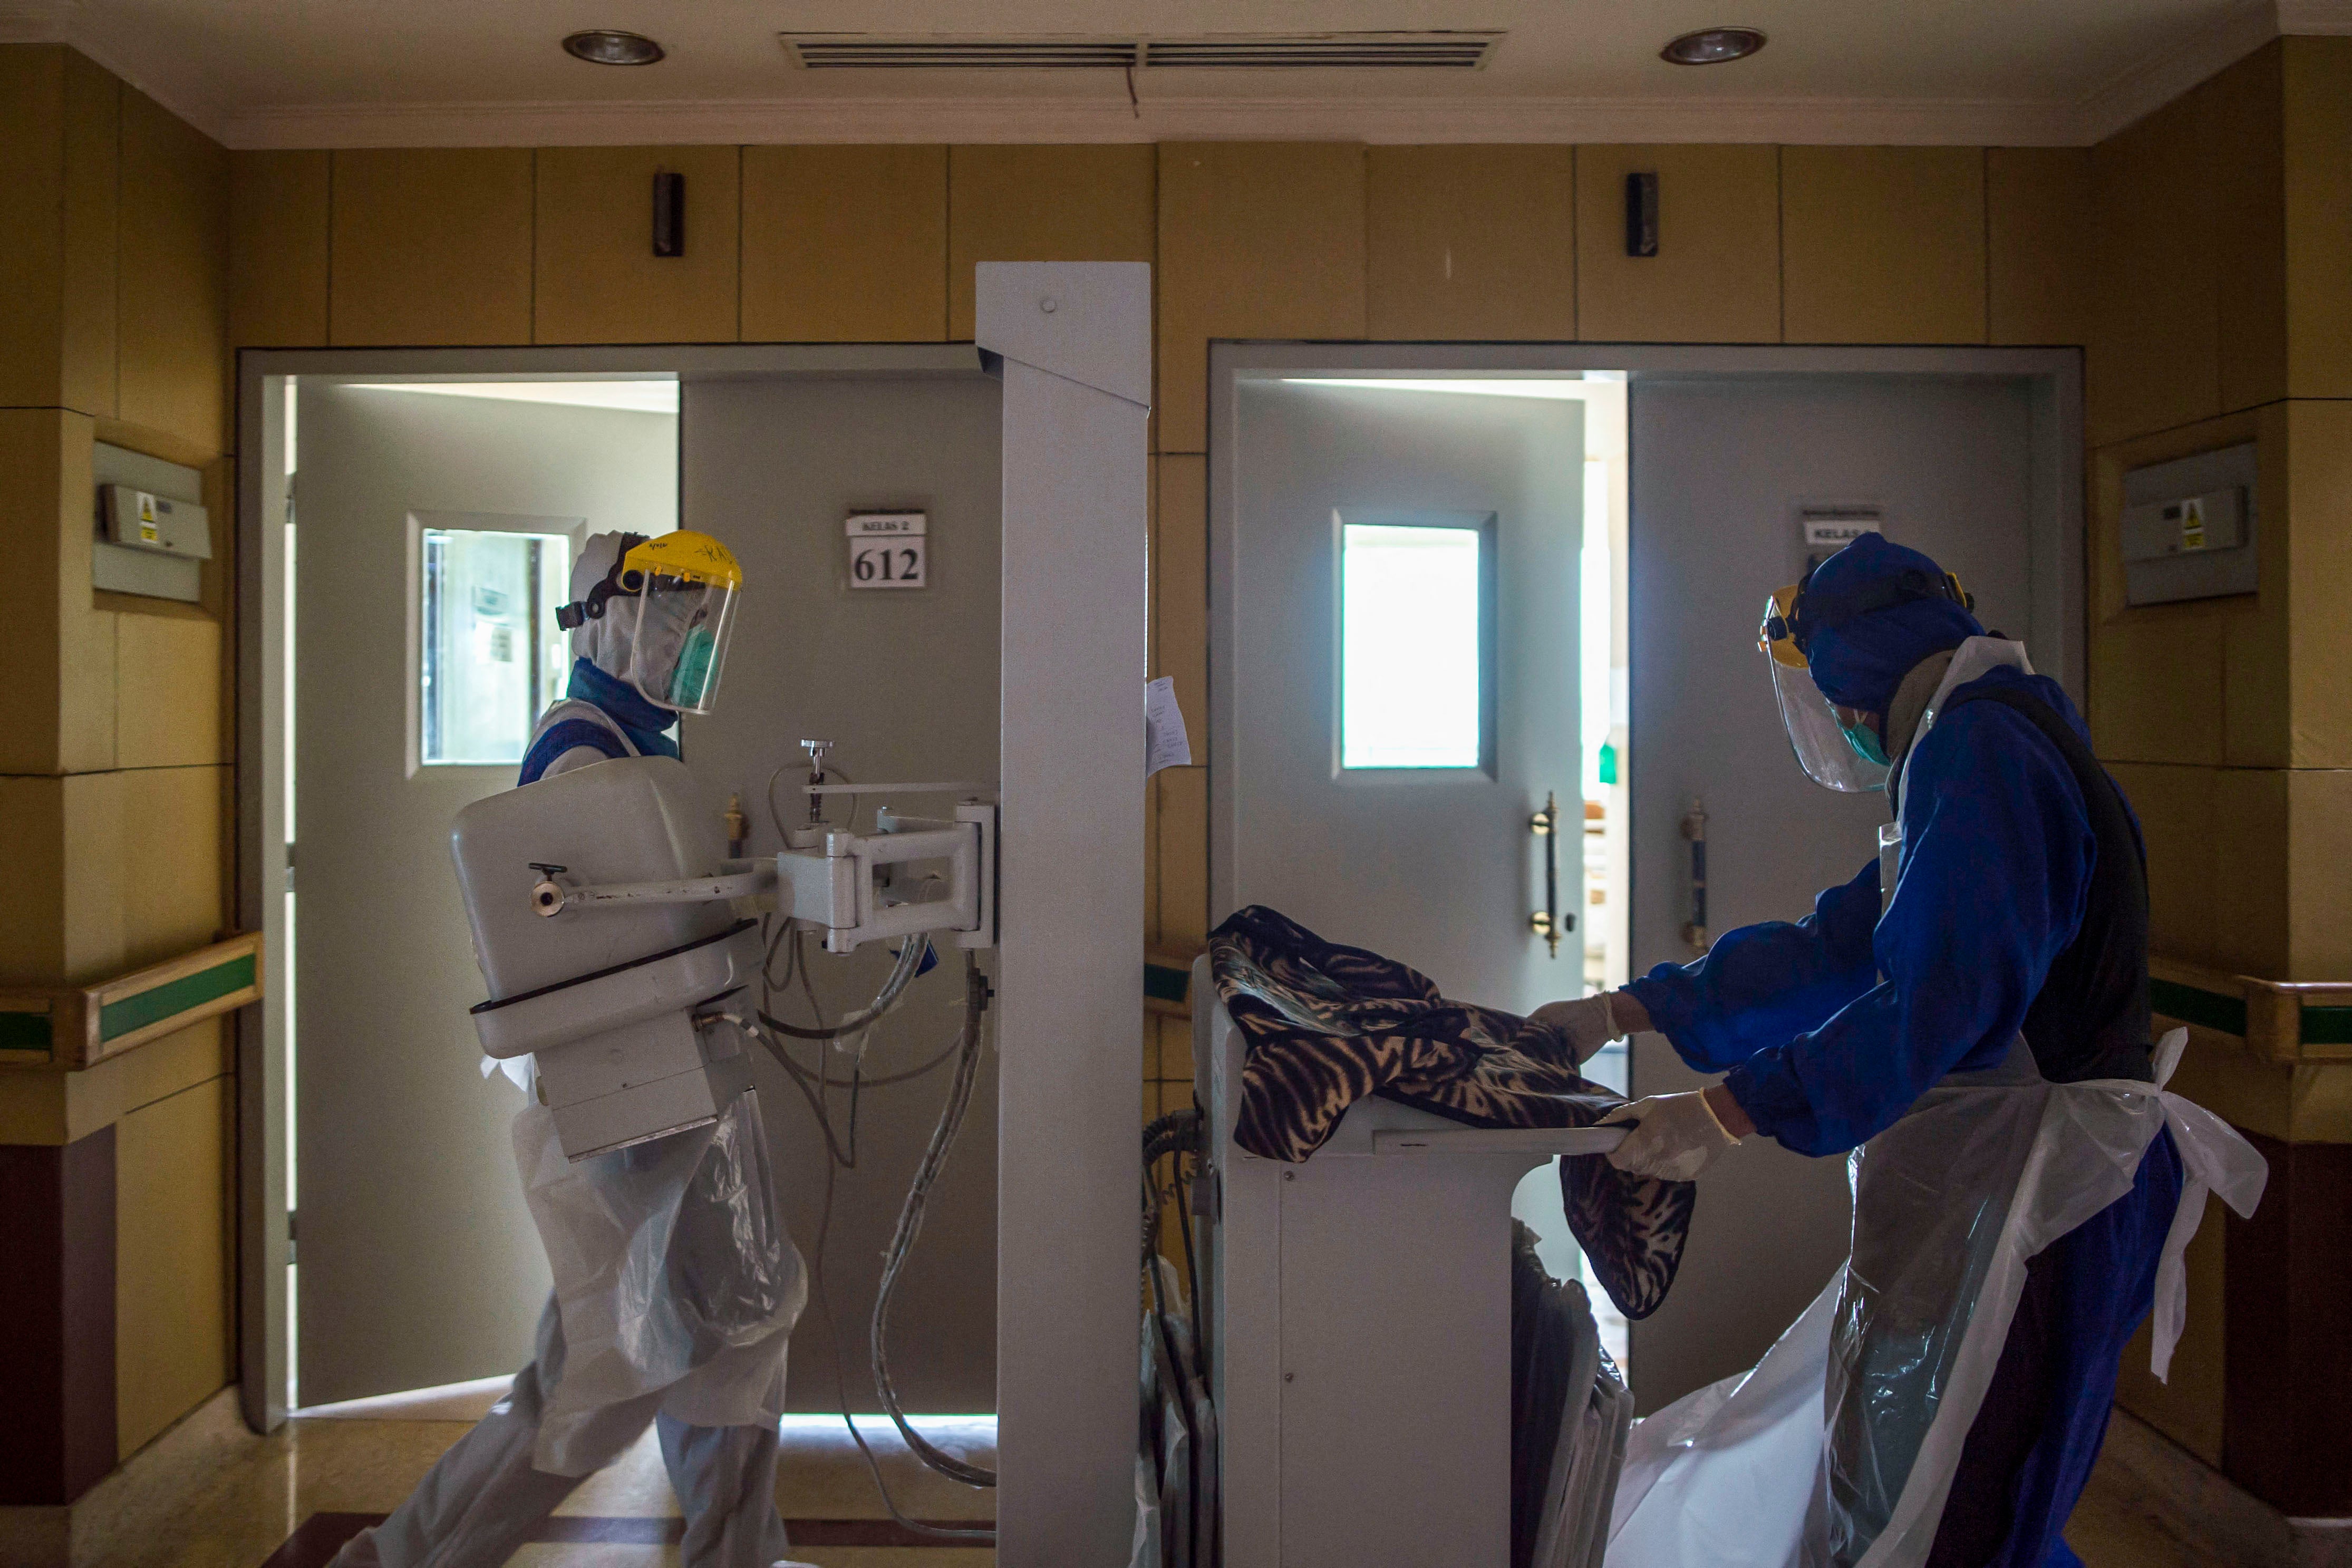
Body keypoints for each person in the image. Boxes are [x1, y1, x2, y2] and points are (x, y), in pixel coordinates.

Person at [1535, 533, 2187, 1567]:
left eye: (1829, 691)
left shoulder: (1983, 752)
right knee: (1922, 1487)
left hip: (2034, 1191)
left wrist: (1726, 1111)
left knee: (1961, 1503)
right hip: (1988, 1183)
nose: (1834, 719)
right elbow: (1839, 946)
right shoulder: (1975, 744)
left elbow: (1942, 996)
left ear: (1857, 670)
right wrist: (1625, 1009)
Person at [336, 530, 814, 1568]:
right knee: (596, 1380)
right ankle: (399, 1557)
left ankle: (737, 1555)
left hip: (685, 1081)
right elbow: (579, 947)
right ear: (605, 615)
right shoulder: (581, 748)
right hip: (630, 1099)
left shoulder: (647, 744)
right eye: (670, 615)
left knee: (727, 1334)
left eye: (701, 621)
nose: (688, 642)